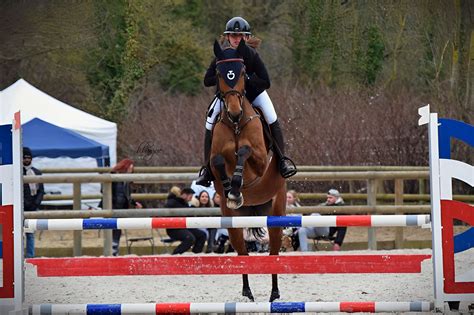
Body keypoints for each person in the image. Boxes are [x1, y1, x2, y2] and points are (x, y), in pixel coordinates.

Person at [196, 16, 297, 187]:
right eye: (233, 36)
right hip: (228, 97)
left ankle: (282, 161)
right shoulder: (222, 56)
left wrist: (246, 80)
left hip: (254, 95)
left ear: (247, 38)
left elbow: (266, 81)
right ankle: (207, 169)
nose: (237, 39)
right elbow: (207, 80)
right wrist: (223, 80)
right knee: (209, 121)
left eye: (240, 36)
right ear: (227, 37)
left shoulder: (252, 55)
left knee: (272, 118)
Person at [101, 158, 143, 256]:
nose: (131, 171)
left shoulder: (126, 180)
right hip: (112, 206)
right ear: (126, 167)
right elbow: (105, 191)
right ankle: (113, 251)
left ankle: (114, 251)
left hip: (120, 207)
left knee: (117, 230)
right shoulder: (113, 176)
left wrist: (134, 203)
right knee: (114, 230)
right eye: (130, 168)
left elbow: (126, 195)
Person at [165, 187, 206, 255]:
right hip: (174, 229)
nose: (190, 199)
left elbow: (187, 216)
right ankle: (175, 254)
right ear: (184, 195)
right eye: (190, 197)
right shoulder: (172, 202)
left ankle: (195, 254)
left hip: (184, 227)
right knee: (190, 238)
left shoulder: (183, 203)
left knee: (202, 235)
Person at [23, 147, 44, 258]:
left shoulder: (36, 172)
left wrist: (36, 203)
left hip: (33, 207)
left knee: (30, 233)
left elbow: (41, 191)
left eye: (28, 157)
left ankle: (30, 256)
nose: (27, 160)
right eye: (25, 157)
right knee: (19, 234)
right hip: (21, 207)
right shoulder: (18, 172)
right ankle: (20, 255)